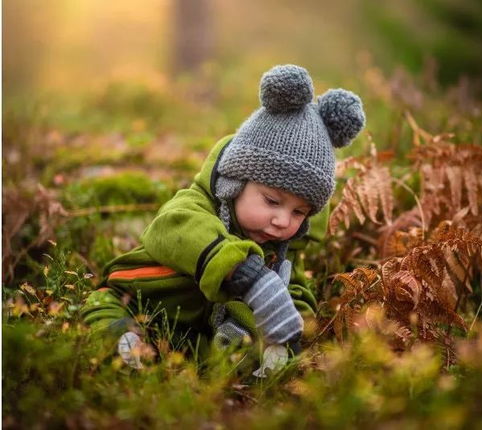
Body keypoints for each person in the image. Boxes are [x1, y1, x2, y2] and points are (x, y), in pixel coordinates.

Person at [81, 64, 365, 369]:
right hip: (135, 299)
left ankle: (225, 367)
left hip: (193, 334)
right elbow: (173, 229)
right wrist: (245, 274)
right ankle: (123, 346)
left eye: (299, 212)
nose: (283, 221)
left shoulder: (281, 249)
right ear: (235, 183)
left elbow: (294, 290)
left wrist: (290, 330)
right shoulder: (194, 207)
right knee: (107, 313)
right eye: (271, 201)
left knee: (238, 350)